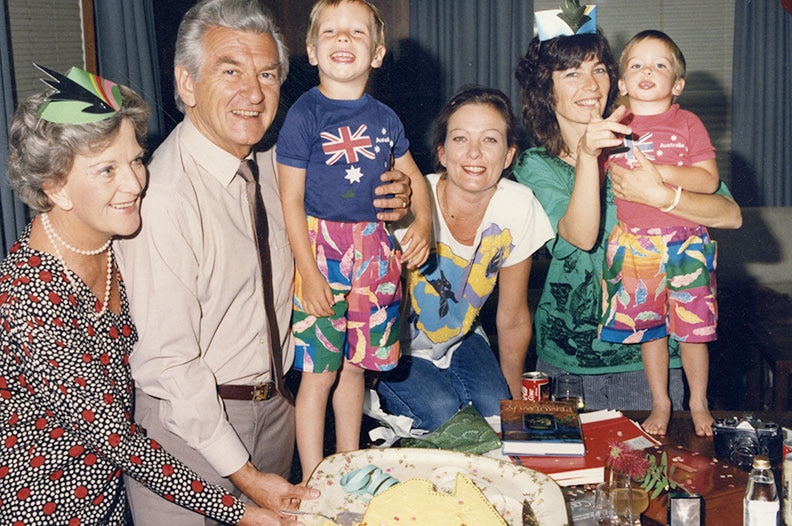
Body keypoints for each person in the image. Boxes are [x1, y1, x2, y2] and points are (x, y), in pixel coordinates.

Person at [116, 0, 410, 524]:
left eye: (267, 74)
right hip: (191, 436)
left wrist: (403, 201)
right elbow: (170, 366)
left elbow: (361, 192)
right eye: (230, 71)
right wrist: (245, 478)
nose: (253, 94)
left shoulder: (277, 162)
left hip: (277, 410)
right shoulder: (163, 199)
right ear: (186, 84)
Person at [0, 65, 287, 525]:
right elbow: (119, 439)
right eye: (107, 169)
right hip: (43, 507)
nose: (136, 183)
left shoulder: (112, 242)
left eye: (136, 160)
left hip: (110, 500)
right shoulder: (30, 296)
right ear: (55, 186)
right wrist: (239, 509)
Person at [513, 4, 741, 432]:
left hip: (650, 362)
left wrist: (660, 194)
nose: (590, 85)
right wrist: (586, 156)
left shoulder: (649, 143)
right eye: (571, 74)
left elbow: (729, 215)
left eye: (598, 69)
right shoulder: (536, 167)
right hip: (569, 363)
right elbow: (580, 236)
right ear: (547, 90)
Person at [276, 0, 431, 481]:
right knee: (318, 372)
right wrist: (307, 269)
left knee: (355, 369)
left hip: (375, 254)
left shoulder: (386, 119)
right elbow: (290, 200)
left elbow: (416, 179)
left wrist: (422, 223)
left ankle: (349, 466)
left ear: (378, 54)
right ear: (311, 51)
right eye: (331, 33)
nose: (343, 40)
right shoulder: (304, 114)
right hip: (322, 251)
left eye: (357, 33)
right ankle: (313, 478)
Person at [374, 86, 554, 433]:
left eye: (489, 140)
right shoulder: (407, 204)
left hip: (461, 339)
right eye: (460, 139)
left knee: (495, 417)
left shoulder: (518, 205)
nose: (474, 152)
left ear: (508, 155)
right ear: (441, 153)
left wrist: (513, 406)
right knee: (443, 414)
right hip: (399, 349)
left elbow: (514, 316)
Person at [598, 30, 720, 436]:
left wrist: (661, 175)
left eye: (659, 65)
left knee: (693, 331)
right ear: (621, 82)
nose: (647, 71)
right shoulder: (614, 125)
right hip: (635, 243)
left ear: (677, 83)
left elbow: (707, 179)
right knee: (649, 328)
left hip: (686, 241)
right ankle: (661, 403)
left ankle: (697, 401)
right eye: (636, 65)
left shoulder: (688, 122)